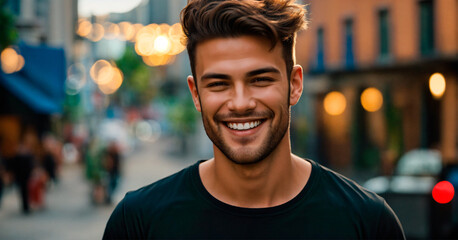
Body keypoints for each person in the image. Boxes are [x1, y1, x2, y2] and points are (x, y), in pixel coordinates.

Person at [103, 0, 405, 239]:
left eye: (260, 79)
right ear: (196, 94)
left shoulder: (368, 222)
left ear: (294, 85)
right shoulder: (138, 223)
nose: (241, 103)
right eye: (218, 84)